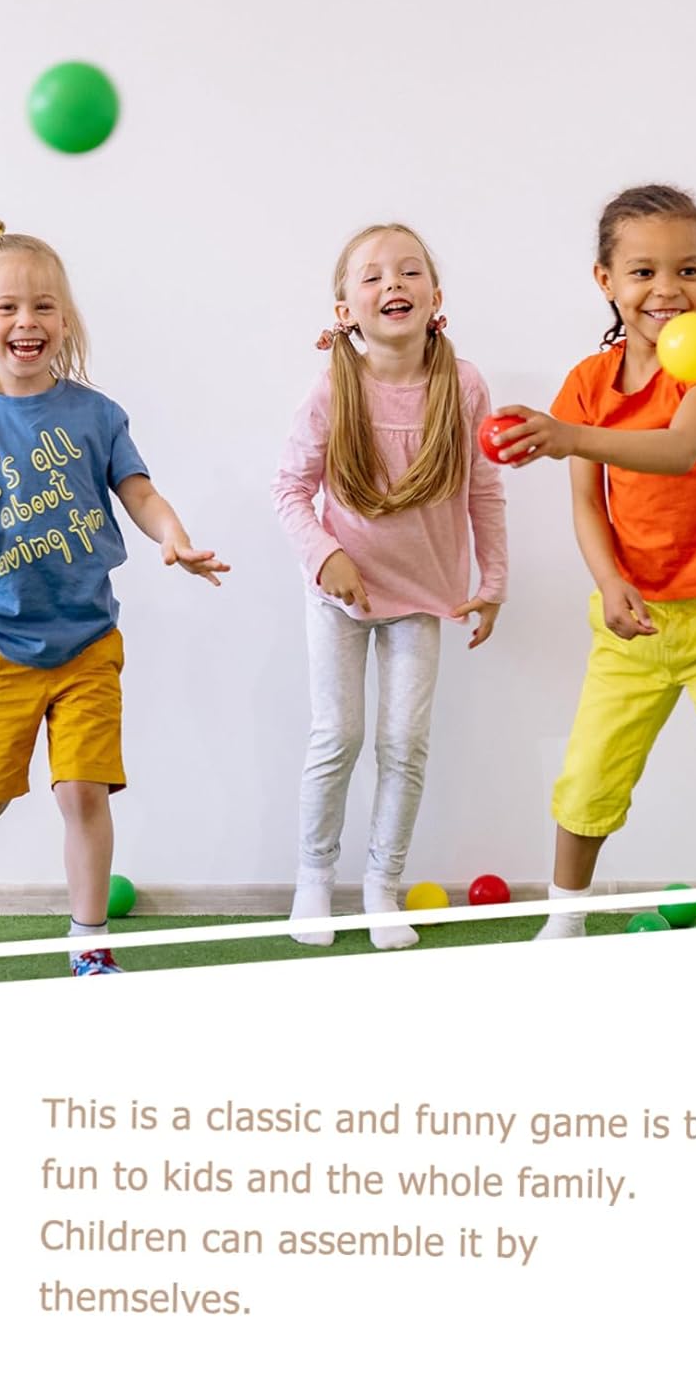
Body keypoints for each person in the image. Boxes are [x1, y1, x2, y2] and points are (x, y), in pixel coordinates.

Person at [489, 183, 696, 937]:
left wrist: (568, 436)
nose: (667, 289)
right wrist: (609, 583)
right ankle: (564, 921)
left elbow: (679, 448)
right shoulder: (587, 383)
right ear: (605, 280)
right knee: (588, 776)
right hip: (632, 623)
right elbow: (587, 504)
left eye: (687, 270)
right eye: (643, 272)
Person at [0, 221, 227, 975]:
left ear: (65, 320)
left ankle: (88, 939)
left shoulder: (98, 415)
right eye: (8, 308)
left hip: (88, 643)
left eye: (44, 306)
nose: (26, 322)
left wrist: (173, 535)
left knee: (84, 793)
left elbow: (139, 492)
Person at [273, 223, 507, 949]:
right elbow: (289, 489)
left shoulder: (464, 385)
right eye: (372, 277)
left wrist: (494, 580)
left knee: (404, 743)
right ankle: (314, 880)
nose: (392, 284)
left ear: (435, 297)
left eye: (409, 272)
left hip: (422, 595)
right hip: (340, 594)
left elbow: (484, 488)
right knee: (337, 735)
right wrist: (326, 557)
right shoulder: (332, 387)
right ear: (345, 310)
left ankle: (382, 887)